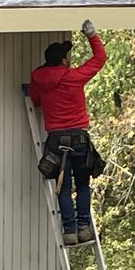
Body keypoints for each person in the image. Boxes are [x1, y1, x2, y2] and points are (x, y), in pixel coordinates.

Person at [28, 19, 107, 245]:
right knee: (82, 184)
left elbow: (35, 100)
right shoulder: (74, 77)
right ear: (63, 60)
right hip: (79, 139)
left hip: (55, 141)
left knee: (62, 185)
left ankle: (69, 231)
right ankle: (83, 228)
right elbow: (100, 59)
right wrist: (91, 36)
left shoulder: (38, 79)